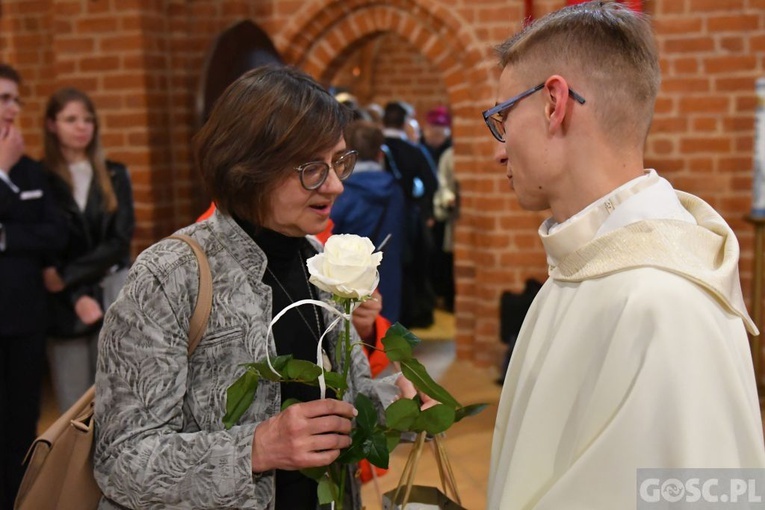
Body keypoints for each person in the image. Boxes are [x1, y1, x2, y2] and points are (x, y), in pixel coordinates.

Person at [94, 65, 419, 509]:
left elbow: (342, 413)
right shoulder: (170, 275)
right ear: (249, 168)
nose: (337, 184)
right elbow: (121, 459)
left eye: (339, 161)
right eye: (311, 169)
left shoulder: (322, 261)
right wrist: (257, 447)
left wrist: (398, 400)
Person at [485, 2, 765, 509]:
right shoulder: (589, 265)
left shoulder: (662, 299)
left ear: (554, 103)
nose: (498, 150)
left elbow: (698, 496)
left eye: (503, 117)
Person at [40, 87, 135, 413]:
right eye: (71, 119)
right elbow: (44, 246)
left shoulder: (114, 173)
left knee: (116, 398)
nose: (82, 126)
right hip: (63, 303)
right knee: (73, 408)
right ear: (52, 125)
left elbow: (120, 240)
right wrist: (73, 293)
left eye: (88, 120)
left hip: (110, 289)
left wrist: (66, 277)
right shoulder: (40, 178)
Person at [0, 63, 67, 510]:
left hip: (23, 318)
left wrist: (6, 236)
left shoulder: (29, 170)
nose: (13, 108)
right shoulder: (11, 168)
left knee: (20, 425)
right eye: (4, 98)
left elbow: (55, 233)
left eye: (16, 99)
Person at [331, 119, 405, 325]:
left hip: (344, 274)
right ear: (380, 153)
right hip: (386, 272)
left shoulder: (338, 191)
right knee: (382, 332)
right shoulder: (394, 189)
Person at [382, 101, 437, 328]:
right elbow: (432, 183)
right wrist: (423, 209)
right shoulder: (413, 151)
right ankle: (404, 322)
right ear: (405, 123)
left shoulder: (374, 147)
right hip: (407, 220)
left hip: (373, 219)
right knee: (407, 269)